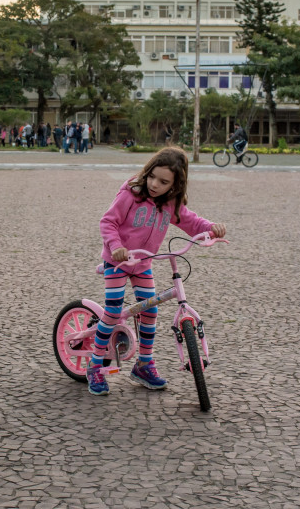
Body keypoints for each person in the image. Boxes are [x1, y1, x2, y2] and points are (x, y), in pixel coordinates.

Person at [87, 146, 227, 396]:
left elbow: (190, 220)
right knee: (113, 311)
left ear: (175, 185)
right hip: (118, 261)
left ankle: (144, 364)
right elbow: (108, 221)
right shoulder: (132, 193)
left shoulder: (170, 203)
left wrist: (210, 228)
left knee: (150, 310)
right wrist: (116, 246)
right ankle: (95, 364)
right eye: (152, 176)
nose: (154, 184)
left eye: (163, 182)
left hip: (142, 262)